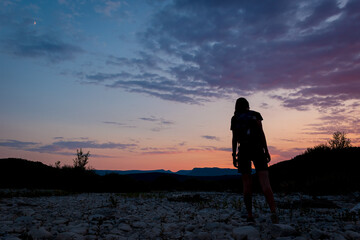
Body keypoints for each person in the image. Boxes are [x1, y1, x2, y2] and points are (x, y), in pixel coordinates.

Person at [231, 97, 278, 223]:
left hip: (244, 150)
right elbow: (262, 133)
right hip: (257, 148)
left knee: (247, 184)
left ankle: (250, 215)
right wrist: (266, 150)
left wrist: (234, 154)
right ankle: (273, 212)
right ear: (248, 105)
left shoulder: (235, 118)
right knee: (265, 182)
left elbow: (235, 138)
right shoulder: (256, 115)